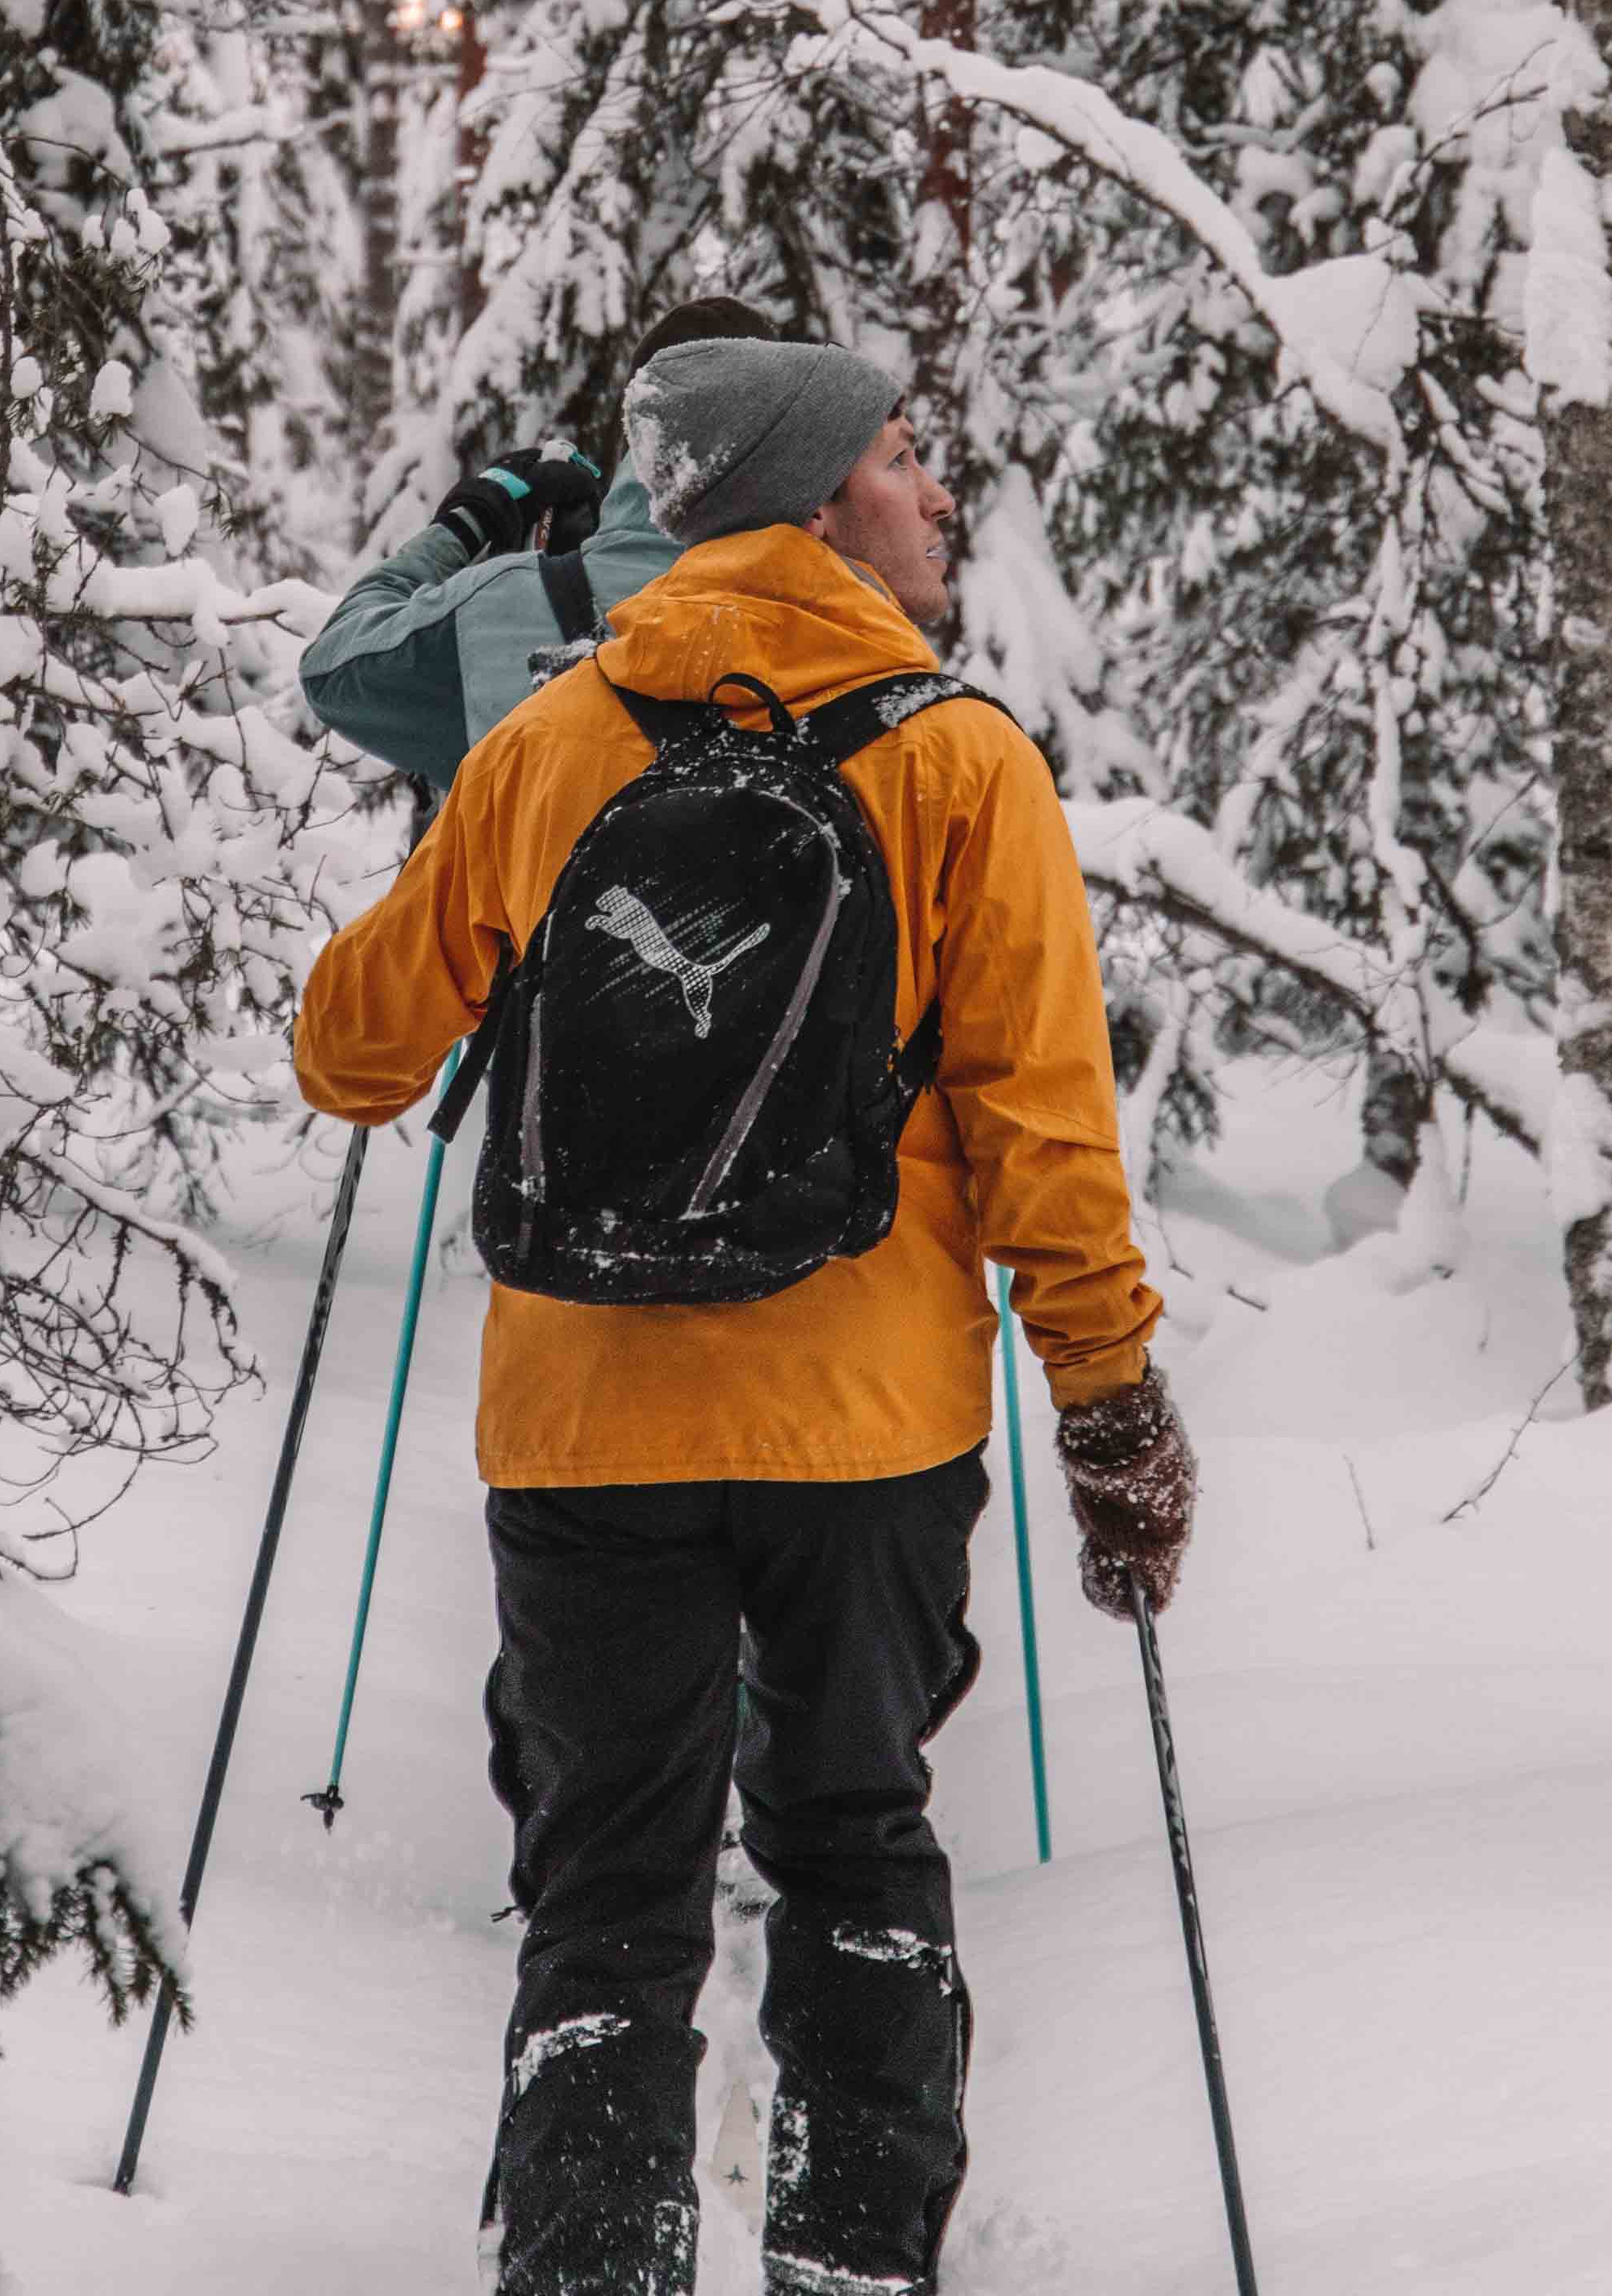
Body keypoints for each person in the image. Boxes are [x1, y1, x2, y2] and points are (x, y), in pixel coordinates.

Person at [293, 331, 1197, 2296]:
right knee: (853, 1839)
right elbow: (1044, 1137)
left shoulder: (550, 741)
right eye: (897, 453)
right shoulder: (959, 758)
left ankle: (593, 2264)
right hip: (867, 1432)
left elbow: (353, 1050)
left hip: (582, 1426)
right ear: (807, 501)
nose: (935, 488)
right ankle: (849, 2263)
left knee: (604, 1899)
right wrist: (1111, 1406)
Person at [301, 296, 785, 793]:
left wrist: (471, 523)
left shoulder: (511, 610)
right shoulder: (849, 607)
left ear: (637, 434)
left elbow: (331, 668)